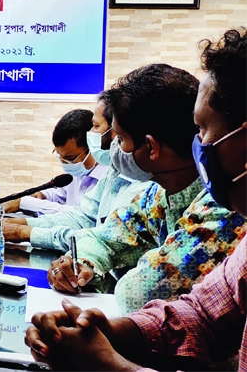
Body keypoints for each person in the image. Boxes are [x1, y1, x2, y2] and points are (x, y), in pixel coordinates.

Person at [24, 28, 247, 371]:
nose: (197, 142)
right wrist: (105, 328)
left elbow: (138, 292)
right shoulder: (160, 195)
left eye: (202, 130)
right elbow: (202, 315)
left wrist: (107, 363)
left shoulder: (224, 214)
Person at [45, 63, 244, 314]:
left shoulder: (226, 208)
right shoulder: (160, 193)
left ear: (151, 148)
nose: (114, 148)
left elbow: (138, 293)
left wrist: (113, 270)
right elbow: (104, 237)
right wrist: (82, 264)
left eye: (120, 138)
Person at [2, 96, 154, 252]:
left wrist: (23, 232)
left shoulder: (147, 185)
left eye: (95, 126)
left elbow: (108, 240)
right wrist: (21, 225)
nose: (90, 133)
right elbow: (82, 217)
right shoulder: (115, 171)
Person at [4, 109, 108, 215]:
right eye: (59, 155)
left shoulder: (108, 178)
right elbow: (60, 195)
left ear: (92, 147)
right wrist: (42, 195)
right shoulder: (78, 173)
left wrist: (25, 203)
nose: (64, 162)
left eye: (70, 157)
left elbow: (83, 216)